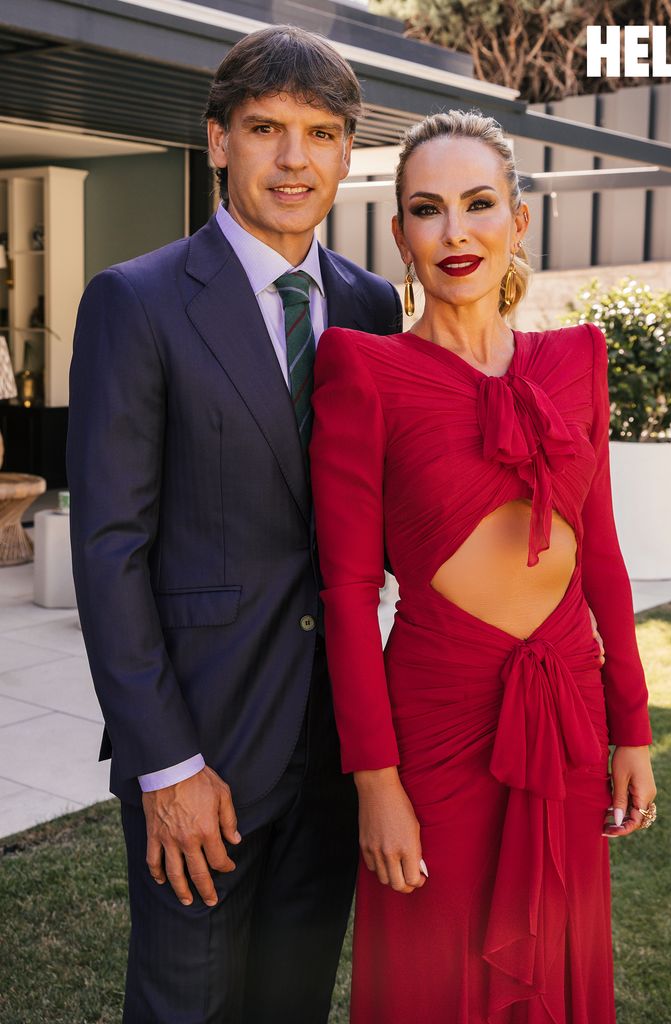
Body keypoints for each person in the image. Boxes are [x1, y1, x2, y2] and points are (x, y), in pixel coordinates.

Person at [67, 25, 401, 1024]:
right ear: (218, 141)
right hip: (202, 749)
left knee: (290, 1006)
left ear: (346, 152)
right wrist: (166, 763)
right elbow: (109, 549)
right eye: (265, 129)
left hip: (336, 753)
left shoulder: (374, 307)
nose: (293, 159)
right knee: (187, 1008)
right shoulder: (138, 301)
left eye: (320, 133)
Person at [309, 109, 657, 1024]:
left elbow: (604, 562)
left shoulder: (578, 359)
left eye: (478, 204)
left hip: (566, 711)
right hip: (434, 729)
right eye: (427, 210)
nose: (455, 232)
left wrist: (634, 728)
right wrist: (375, 785)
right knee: (434, 979)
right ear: (400, 236)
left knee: (556, 961)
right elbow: (348, 593)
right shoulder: (363, 368)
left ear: (519, 221)